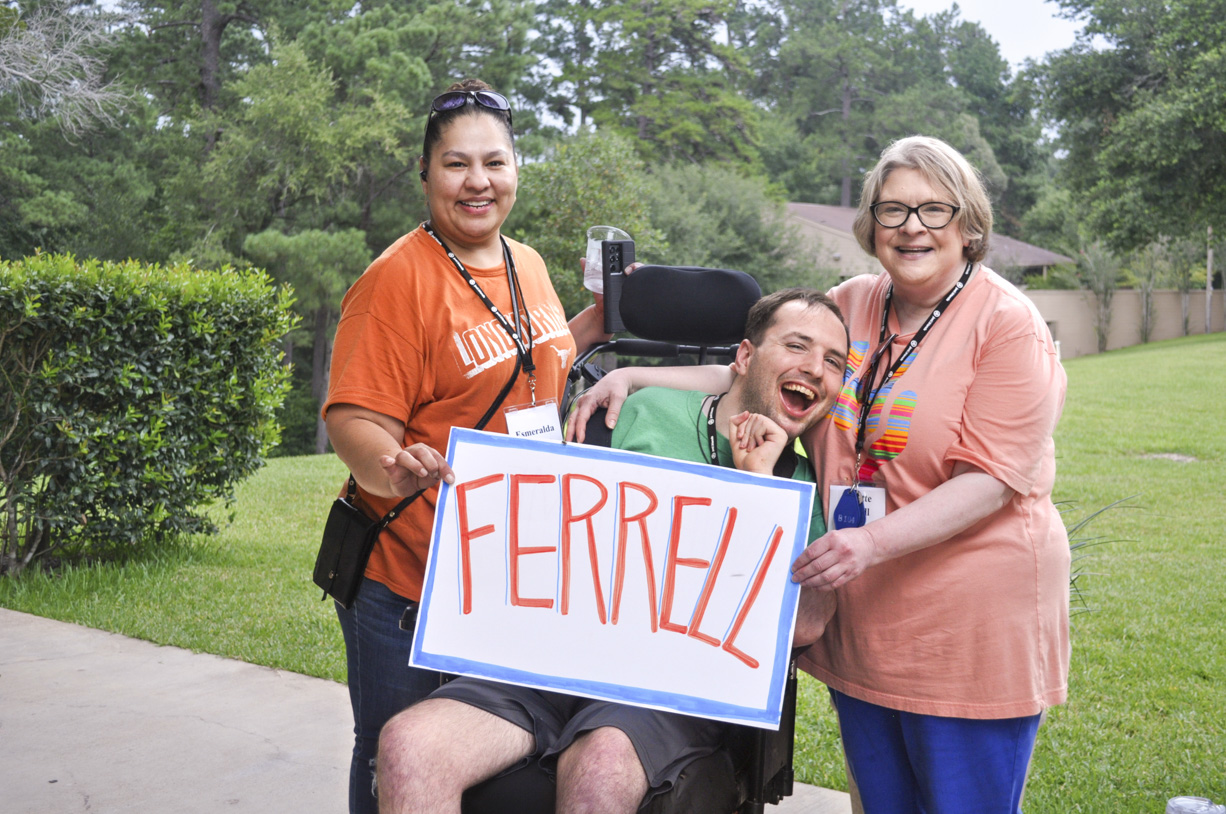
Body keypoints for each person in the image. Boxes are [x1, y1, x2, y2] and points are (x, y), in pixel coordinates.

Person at [571, 136, 1070, 813]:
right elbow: (758, 370)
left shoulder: (1007, 325)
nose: (911, 227)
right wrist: (631, 373)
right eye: (892, 210)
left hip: (966, 631)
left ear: (969, 222)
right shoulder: (857, 303)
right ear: (870, 224)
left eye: (933, 209)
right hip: (863, 622)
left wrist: (870, 543)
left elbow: (994, 479)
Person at [375, 288, 849, 814]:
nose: (815, 368)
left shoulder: (804, 484)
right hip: (552, 660)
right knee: (408, 745)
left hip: (670, 692)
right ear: (743, 357)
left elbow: (807, 624)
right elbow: (550, 521)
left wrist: (758, 487)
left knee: (600, 766)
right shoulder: (640, 408)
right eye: (798, 346)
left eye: (833, 361)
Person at [322, 78, 617, 814]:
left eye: (495, 162)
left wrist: (595, 324)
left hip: (504, 575)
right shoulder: (395, 280)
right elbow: (353, 418)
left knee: (482, 768)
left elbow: (524, 363)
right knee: (396, 754)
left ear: (517, 170)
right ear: (426, 175)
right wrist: (394, 468)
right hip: (411, 580)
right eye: (456, 164)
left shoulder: (527, 263)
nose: (477, 181)